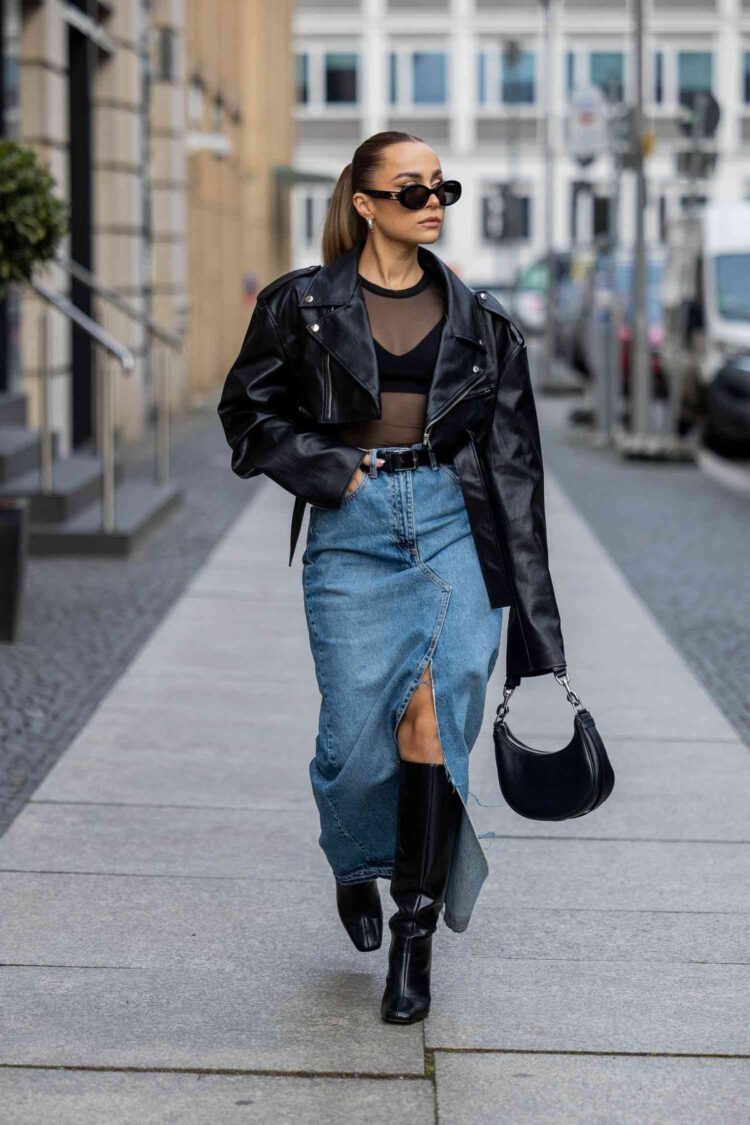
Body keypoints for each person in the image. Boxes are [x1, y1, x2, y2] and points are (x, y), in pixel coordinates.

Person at [217, 131, 566, 1025]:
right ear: (365, 203)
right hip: (353, 530)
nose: (432, 200)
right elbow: (246, 412)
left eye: (440, 186)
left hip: (451, 521)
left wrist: (535, 627)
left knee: (434, 711)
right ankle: (353, 860)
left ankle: (415, 937)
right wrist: (334, 470)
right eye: (410, 189)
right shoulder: (301, 306)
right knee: (351, 740)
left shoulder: (484, 322)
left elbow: (518, 474)